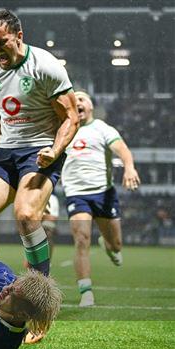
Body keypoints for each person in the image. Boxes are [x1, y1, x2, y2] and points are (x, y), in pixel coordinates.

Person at [0, 10, 79, 275]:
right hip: (6, 152)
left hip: (40, 150)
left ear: (19, 37)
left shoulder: (45, 66)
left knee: (26, 216)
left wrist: (54, 151)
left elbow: (71, 118)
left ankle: (39, 289)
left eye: (1, 41)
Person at [61, 91, 140, 307]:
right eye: (74, 100)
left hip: (103, 193)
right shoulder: (63, 129)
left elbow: (122, 149)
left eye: (82, 100)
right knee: (81, 239)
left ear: (91, 106)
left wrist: (129, 168)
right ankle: (86, 293)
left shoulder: (102, 129)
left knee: (116, 244)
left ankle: (108, 246)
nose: (78, 103)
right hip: (76, 194)